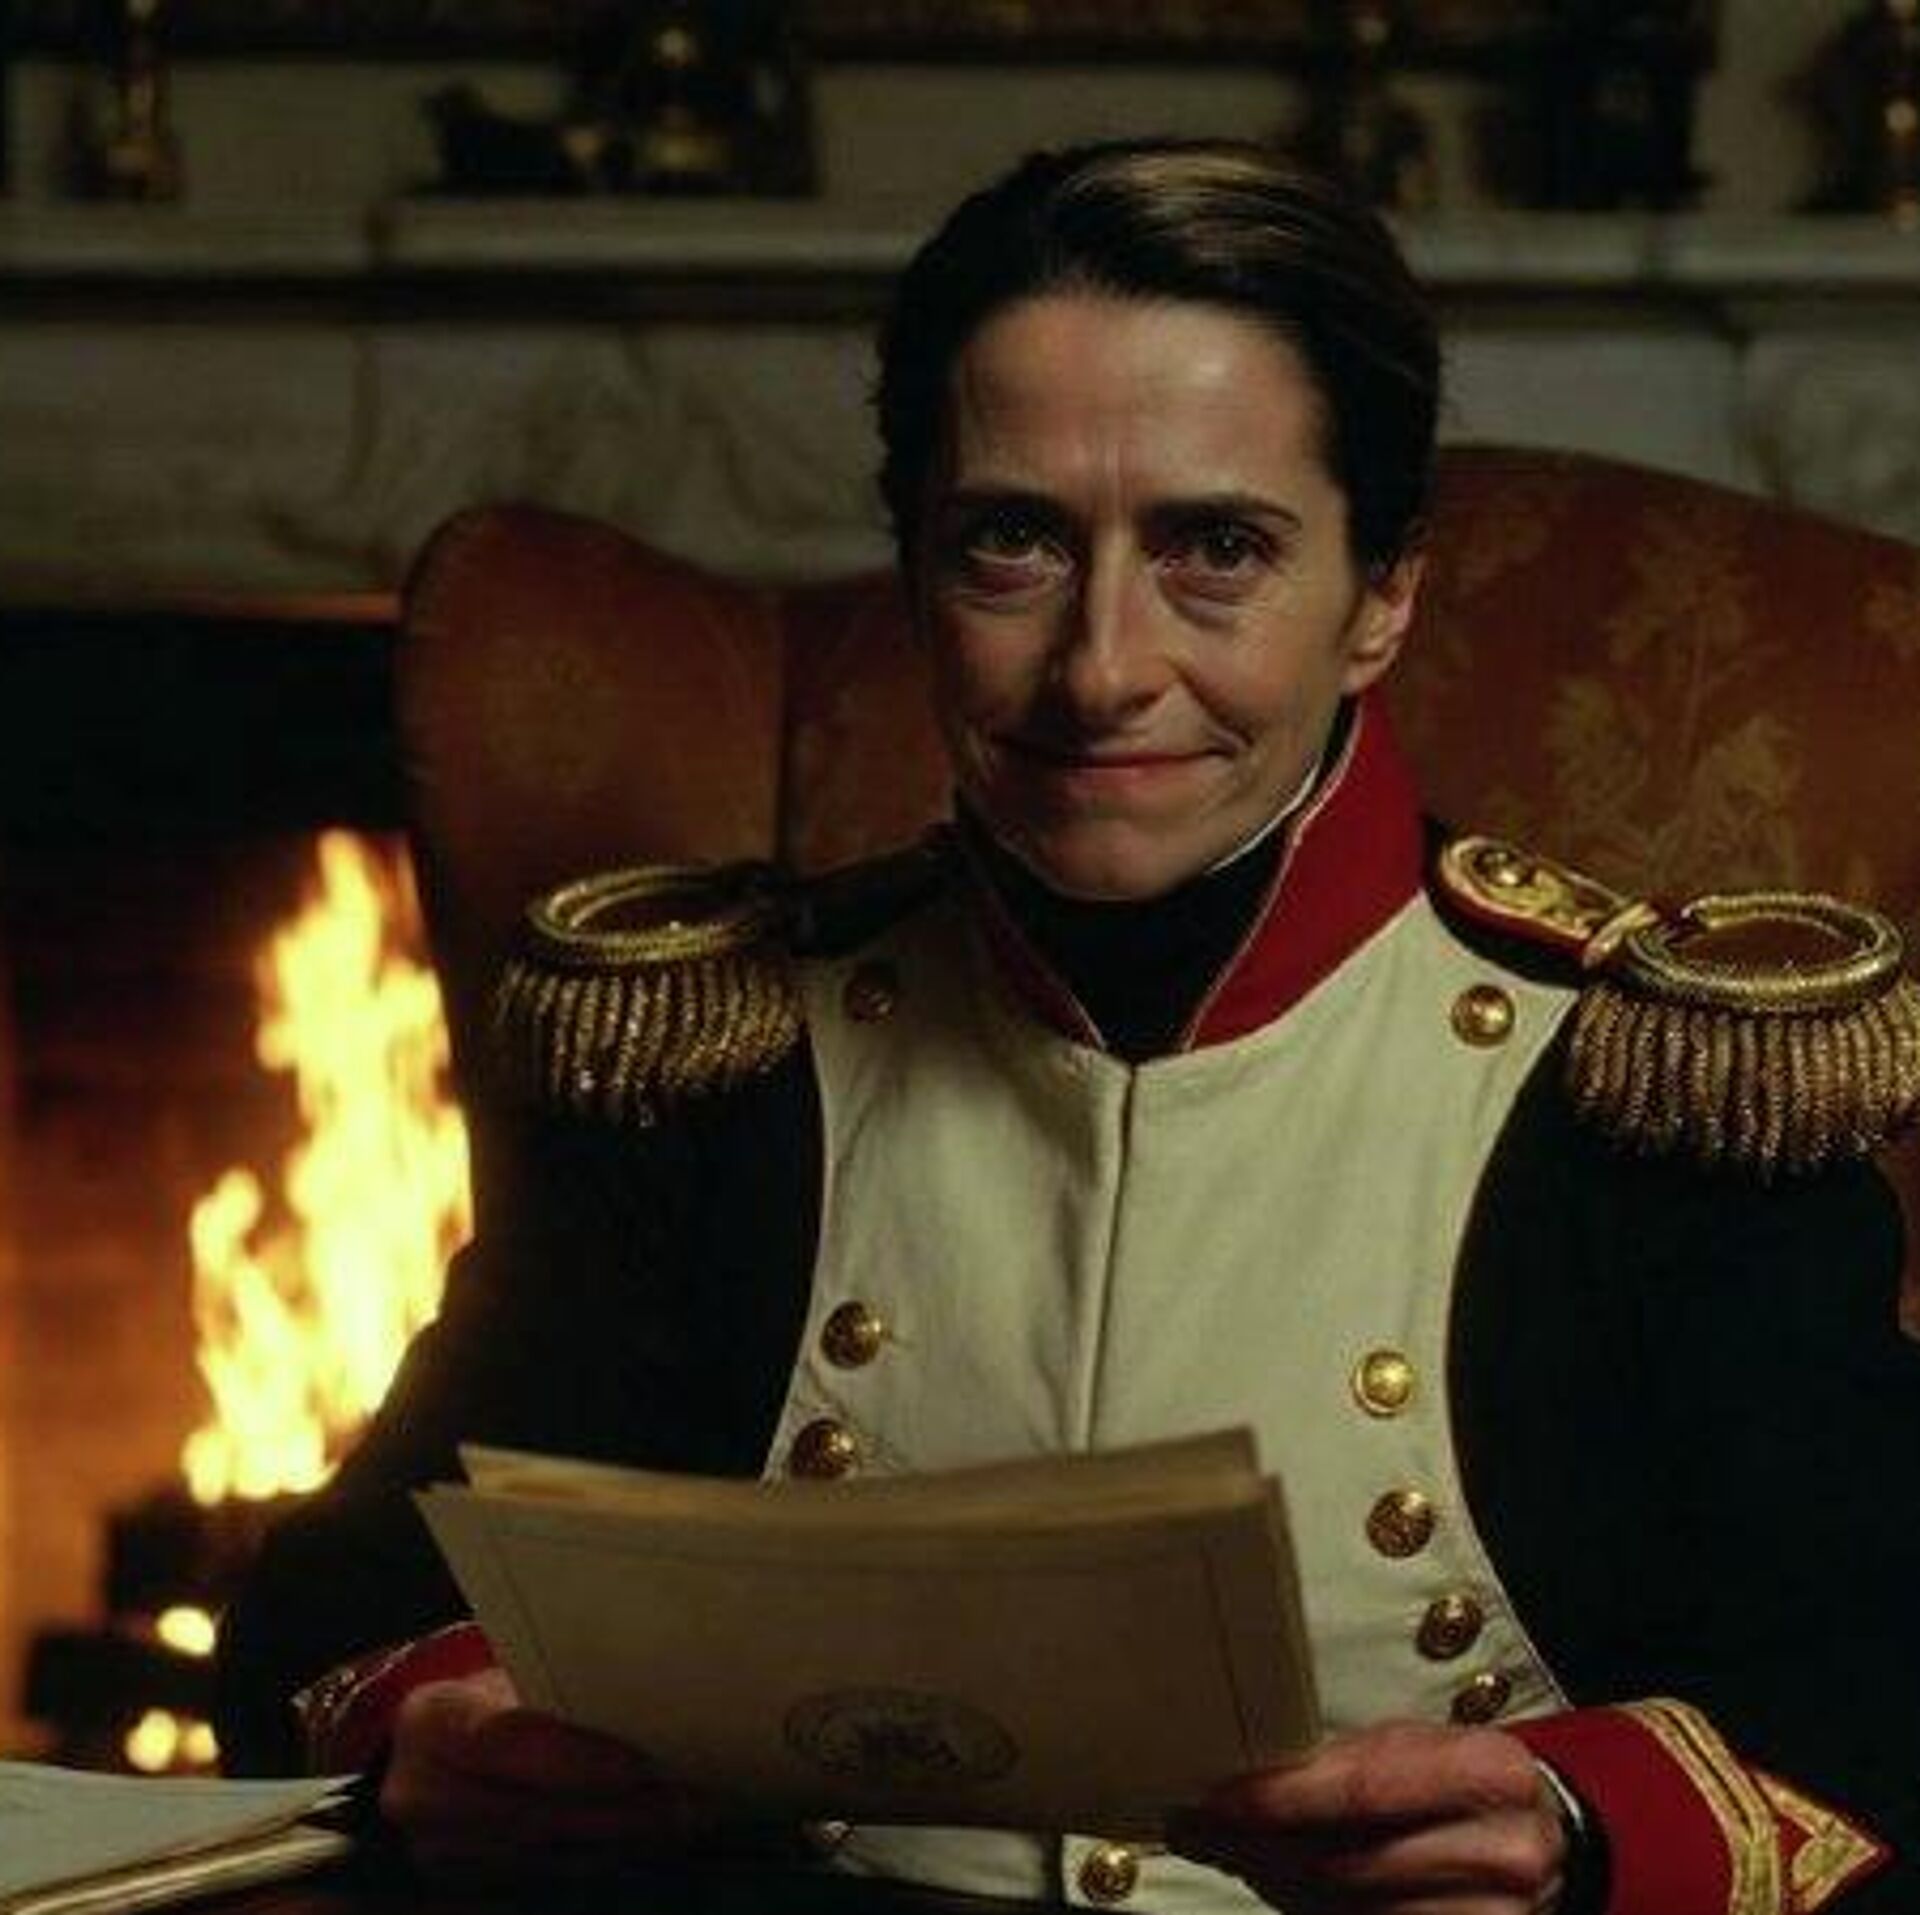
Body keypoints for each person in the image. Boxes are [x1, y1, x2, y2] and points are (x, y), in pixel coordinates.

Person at [215, 139, 1920, 1915]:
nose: (1103, 669)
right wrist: (443, 1732)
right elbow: (337, 1613)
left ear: (1383, 596)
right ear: (914, 570)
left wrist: (1580, 1824)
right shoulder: (712, 1068)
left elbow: (1888, 1696)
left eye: (1217, 550)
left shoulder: (1648, 1094)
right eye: (1013, 543)